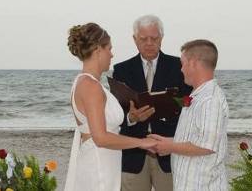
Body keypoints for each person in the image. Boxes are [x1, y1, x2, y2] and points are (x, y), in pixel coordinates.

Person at [64, 23, 156, 191]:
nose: (112, 55)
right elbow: (101, 138)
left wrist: (131, 118)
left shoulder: (87, 83)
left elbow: (100, 126)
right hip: (99, 164)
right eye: (109, 49)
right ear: (98, 49)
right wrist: (142, 143)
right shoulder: (90, 86)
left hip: (105, 160)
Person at [113, 15, 192, 191]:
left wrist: (173, 104)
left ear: (161, 38)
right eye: (143, 39)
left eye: (154, 38)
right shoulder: (121, 70)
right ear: (135, 40)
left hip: (169, 151)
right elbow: (116, 113)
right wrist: (131, 117)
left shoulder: (179, 66)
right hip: (133, 152)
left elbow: (190, 103)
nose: (149, 43)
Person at [149, 39, 229, 191]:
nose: (181, 69)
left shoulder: (210, 99)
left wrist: (170, 146)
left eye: (183, 63)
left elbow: (206, 146)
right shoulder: (198, 96)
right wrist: (167, 142)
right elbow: (196, 138)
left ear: (193, 63)